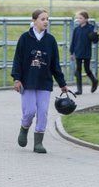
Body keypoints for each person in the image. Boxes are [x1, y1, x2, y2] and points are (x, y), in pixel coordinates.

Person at [11, 9, 69, 155]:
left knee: (42, 112)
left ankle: (38, 143)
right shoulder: (24, 38)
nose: (46, 22)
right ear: (34, 20)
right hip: (27, 81)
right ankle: (24, 128)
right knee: (29, 111)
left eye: (47, 19)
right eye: (42, 19)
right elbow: (17, 59)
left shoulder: (50, 40)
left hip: (44, 82)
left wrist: (62, 83)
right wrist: (17, 79)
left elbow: (55, 64)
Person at [69, 10, 99, 94]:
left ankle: (94, 81)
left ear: (86, 19)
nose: (79, 20)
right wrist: (71, 52)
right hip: (78, 52)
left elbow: (95, 41)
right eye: (78, 18)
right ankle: (79, 89)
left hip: (86, 52)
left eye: (80, 18)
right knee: (78, 70)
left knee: (87, 70)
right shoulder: (76, 29)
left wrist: (95, 36)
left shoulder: (90, 28)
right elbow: (73, 41)